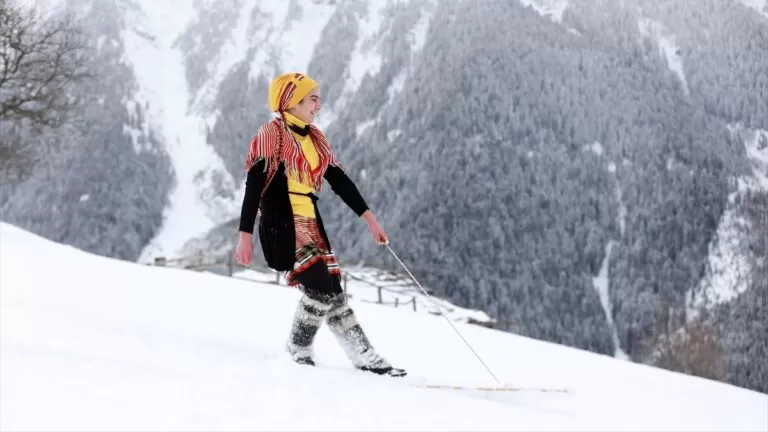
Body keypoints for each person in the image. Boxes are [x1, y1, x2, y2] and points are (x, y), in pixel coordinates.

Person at [234, 72, 406, 377]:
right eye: (312, 99)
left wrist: (370, 221)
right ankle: (298, 348)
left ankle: (363, 354)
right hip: (283, 223)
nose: (318, 105)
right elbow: (254, 186)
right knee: (320, 286)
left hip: (310, 222)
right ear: (292, 101)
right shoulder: (271, 135)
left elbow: (340, 181)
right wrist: (244, 234)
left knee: (333, 291)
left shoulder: (316, 139)